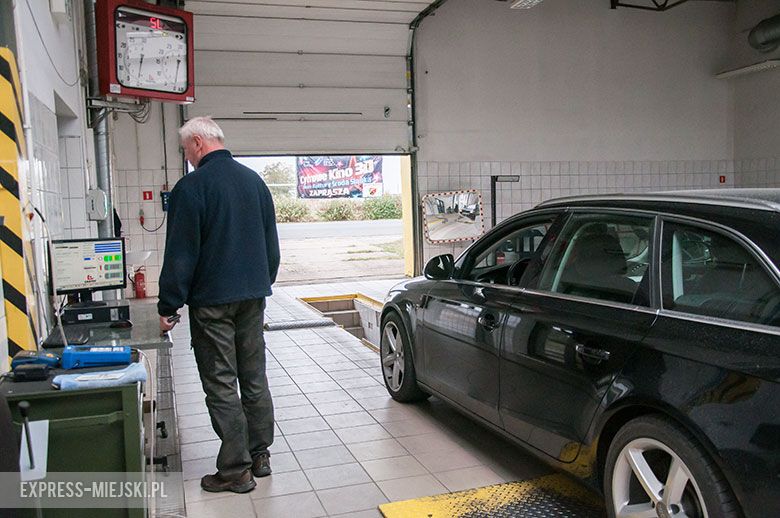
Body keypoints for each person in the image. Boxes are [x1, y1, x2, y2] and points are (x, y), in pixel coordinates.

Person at [158, 116, 280, 494]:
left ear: (197, 142)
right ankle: (260, 455)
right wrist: (261, 282)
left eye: (185, 149)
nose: (188, 157)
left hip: (211, 303)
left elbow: (181, 254)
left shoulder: (192, 188)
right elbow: (271, 245)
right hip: (252, 297)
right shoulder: (254, 182)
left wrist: (169, 304)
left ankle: (234, 470)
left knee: (221, 383)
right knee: (254, 376)